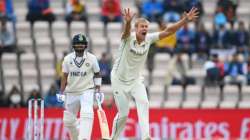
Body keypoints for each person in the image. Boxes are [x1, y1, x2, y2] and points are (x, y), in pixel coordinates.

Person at [110, 8, 199, 140]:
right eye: (142, 26)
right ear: (136, 28)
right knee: (123, 114)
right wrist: (128, 22)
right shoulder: (128, 39)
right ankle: (113, 138)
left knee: (144, 103)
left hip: (135, 80)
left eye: (146, 26)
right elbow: (126, 33)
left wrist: (184, 21)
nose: (144, 28)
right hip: (118, 80)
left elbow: (169, 31)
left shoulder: (149, 39)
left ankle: (146, 136)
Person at [58, 34, 102, 140]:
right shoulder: (67, 59)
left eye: (82, 44)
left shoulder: (92, 58)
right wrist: (61, 92)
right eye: (78, 44)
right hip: (71, 92)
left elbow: (97, 74)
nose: (80, 46)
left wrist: (98, 90)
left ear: (85, 45)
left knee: (87, 112)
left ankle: (84, 138)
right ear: (73, 45)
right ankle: (76, 136)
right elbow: (64, 76)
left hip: (87, 90)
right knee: (68, 120)